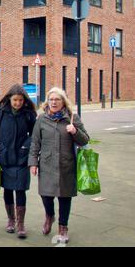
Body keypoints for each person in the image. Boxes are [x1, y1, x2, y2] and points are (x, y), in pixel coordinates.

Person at [28, 87, 89, 243]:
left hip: (66, 164)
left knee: (64, 197)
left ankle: (63, 227)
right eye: (51, 99)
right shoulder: (42, 119)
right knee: (45, 194)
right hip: (47, 164)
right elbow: (35, 142)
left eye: (57, 99)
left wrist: (75, 131)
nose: (54, 102)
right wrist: (33, 163)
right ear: (47, 101)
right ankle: (49, 216)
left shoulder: (72, 118)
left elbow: (85, 140)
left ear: (64, 102)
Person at [0, 84, 37, 238]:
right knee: (8, 189)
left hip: (22, 158)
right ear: (9, 99)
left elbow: (35, 133)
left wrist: (26, 146)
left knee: (21, 190)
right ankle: (11, 220)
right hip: (5, 156)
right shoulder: (0, 112)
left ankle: (21, 223)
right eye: (15, 100)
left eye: (20, 100)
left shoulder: (29, 114)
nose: (17, 103)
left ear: (24, 100)